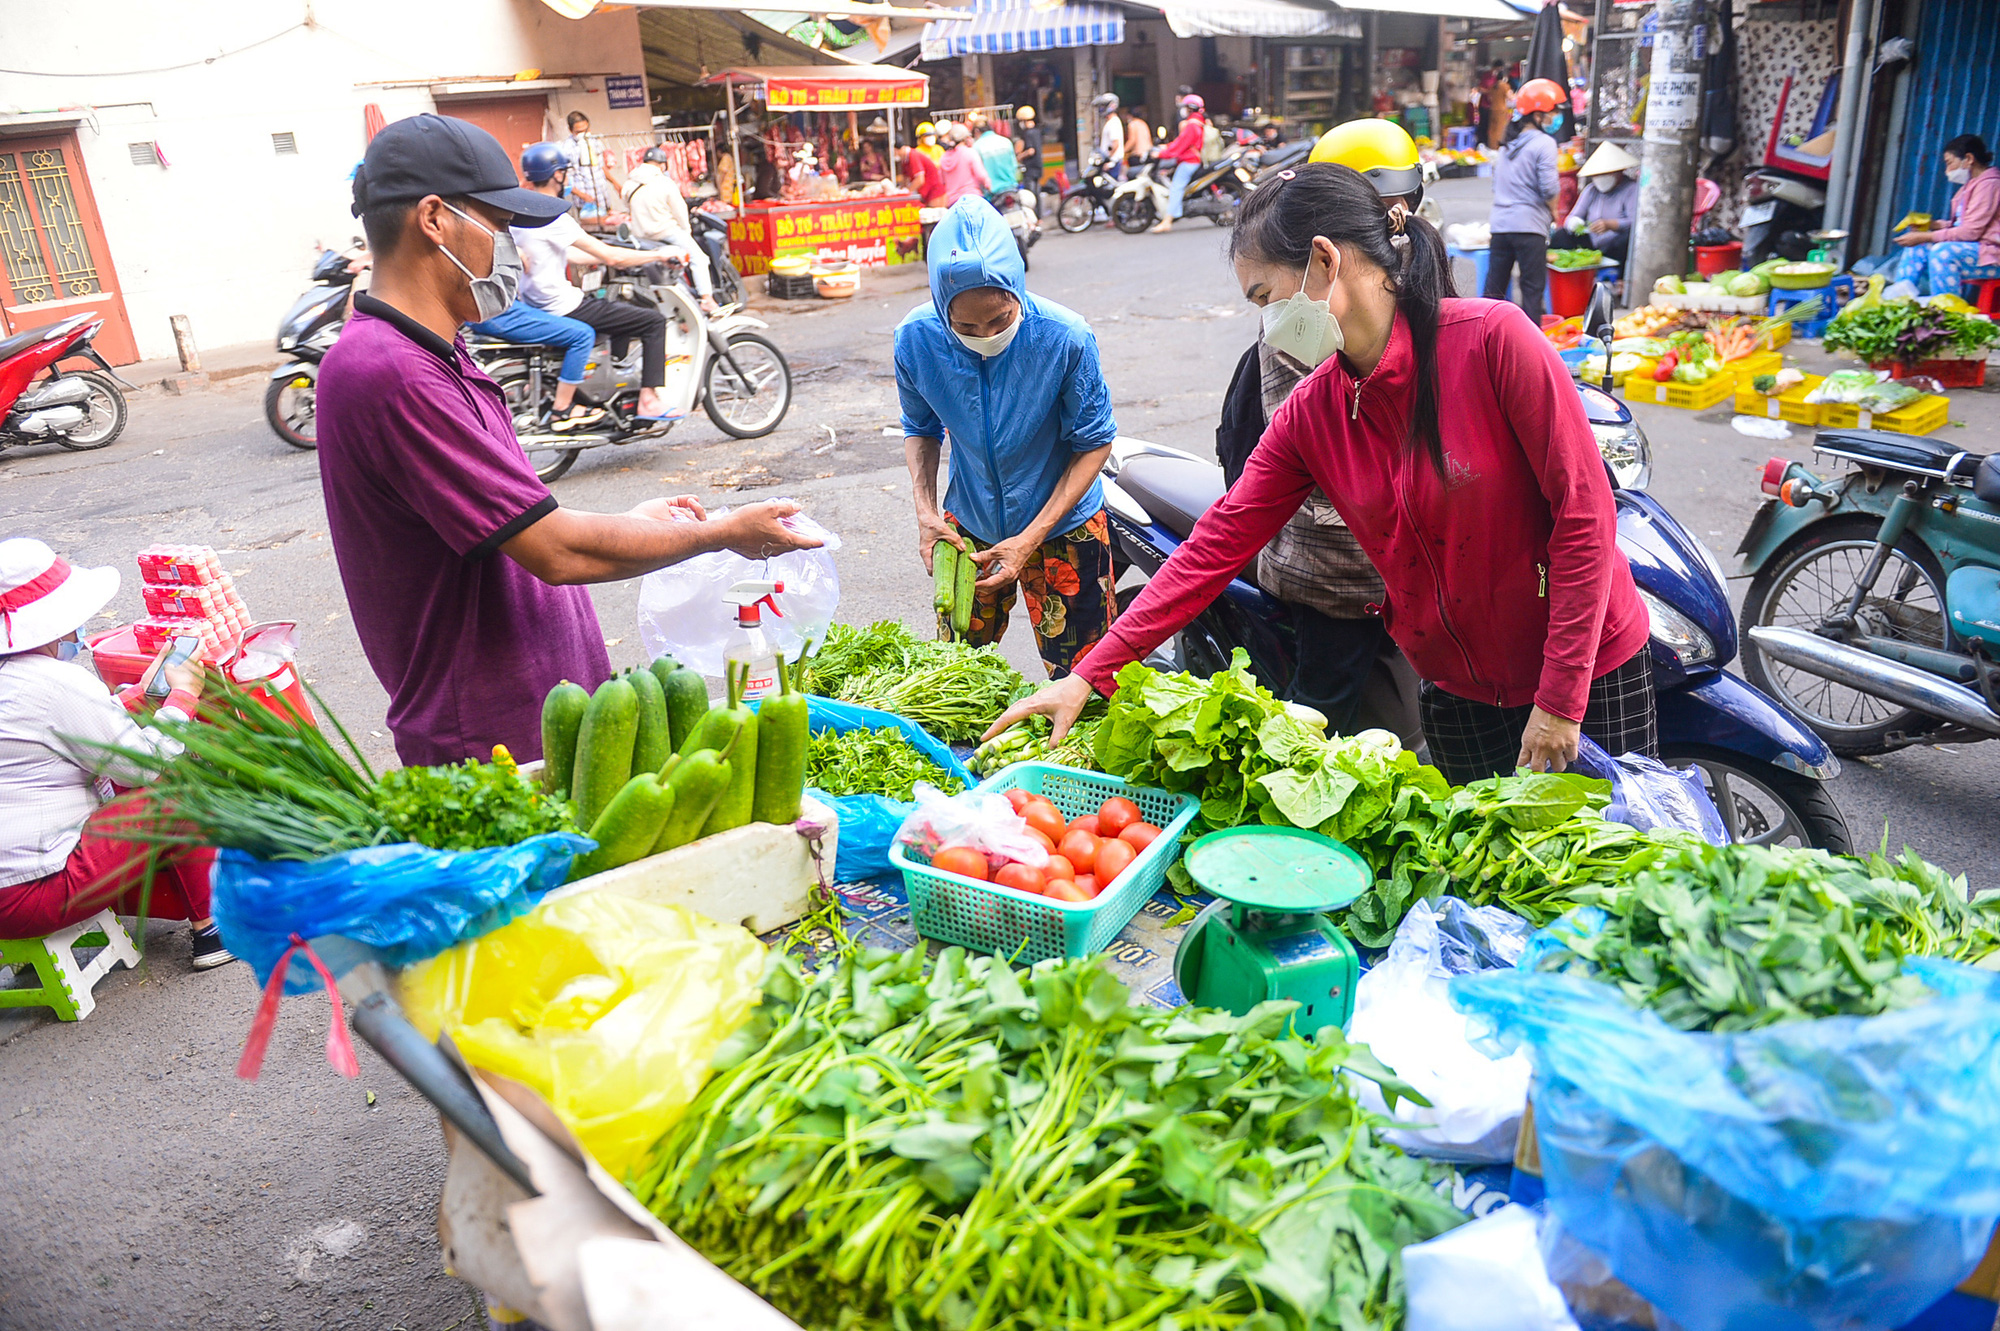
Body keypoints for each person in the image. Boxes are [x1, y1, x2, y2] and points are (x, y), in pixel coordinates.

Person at [986, 163, 1653, 783]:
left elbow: (1584, 515)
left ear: (1325, 260)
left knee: (1614, 879)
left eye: (1265, 296)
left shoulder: (1494, 341)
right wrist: (1089, 675)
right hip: (1456, 691)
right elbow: (1213, 549)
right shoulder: (1314, 411)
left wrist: (1561, 698)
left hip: (1588, 671)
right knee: (1490, 891)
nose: (1268, 323)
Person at [316, 114, 818, 767]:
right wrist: (719, 532)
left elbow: (515, 524)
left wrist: (630, 522)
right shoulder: (391, 372)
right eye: (498, 227)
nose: (513, 253)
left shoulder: (436, 350)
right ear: (434, 219)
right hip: (493, 745)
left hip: (536, 720)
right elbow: (554, 550)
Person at [896, 197, 1119, 678]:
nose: (986, 335)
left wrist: (1029, 538)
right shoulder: (916, 339)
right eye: (966, 327)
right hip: (968, 528)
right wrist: (925, 513)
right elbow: (921, 430)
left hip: (1064, 527)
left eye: (1000, 319)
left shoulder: (1065, 337)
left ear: (1017, 289)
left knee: (1084, 685)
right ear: (941, 310)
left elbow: (1094, 441)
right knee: (955, 679)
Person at [0, 539, 233, 969]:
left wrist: (144, 693)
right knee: (177, 788)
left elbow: (60, 732)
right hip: (30, 895)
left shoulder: (18, 680)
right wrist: (181, 696)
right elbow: (147, 764)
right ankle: (215, 931)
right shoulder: (52, 683)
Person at [514, 141, 679, 421]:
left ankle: (613, 381)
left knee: (617, 304)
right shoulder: (551, 216)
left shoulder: (520, 213)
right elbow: (612, 257)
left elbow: (563, 252)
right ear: (557, 174)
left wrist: (600, 257)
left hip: (536, 302)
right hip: (563, 305)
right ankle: (649, 400)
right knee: (653, 322)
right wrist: (658, 253)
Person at [1484, 78, 1564, 323]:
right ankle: (1530, 350)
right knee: (1531, 291)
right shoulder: (1544, 143)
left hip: (1500, 226)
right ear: (1539, 115)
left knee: (1493, 292)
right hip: (1529, 228)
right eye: (1554, 112)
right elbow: (1549, 187)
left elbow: (1497, 183)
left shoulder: (1508, 145)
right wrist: (1554, 212)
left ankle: (1483, 340)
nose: (1556, 117)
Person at [465, 298, 605, 431]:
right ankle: (563, 408)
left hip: (489, 311)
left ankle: (542, 388)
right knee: (583, 335)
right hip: (499, 311)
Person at [1893, 134, 2000, 299]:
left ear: (1969, 159)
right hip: (1976, 251)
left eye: (1949, 163)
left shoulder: (1990, 184)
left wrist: (1926, 236)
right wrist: (1933, 225)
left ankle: (1946, 315)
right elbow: (1960, 226)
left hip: (1993, 256)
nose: (1947, 170)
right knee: (1917, 247)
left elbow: (1969, 233)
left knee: (1942, 252)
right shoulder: (1972, 185)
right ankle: (1898, 300)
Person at [622, 146, 718, 314]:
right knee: (699, 259)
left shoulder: (629, 184)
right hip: (667, 233)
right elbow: (679, 211)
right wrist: (686, 230)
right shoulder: (664, 182)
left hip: (642, 238)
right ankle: (707, 300)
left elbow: (627, 206)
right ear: (662, 165)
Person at [1552, 141, 1640, 267]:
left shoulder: (1631, 189)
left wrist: (1611, 225)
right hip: (1591, 241)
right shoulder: (1591, 190)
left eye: (1605, 174)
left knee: (1627, 239)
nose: (1600, 177)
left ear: (1619, 171)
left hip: (1615, 244)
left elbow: (1634, 222)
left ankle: (1619, 277)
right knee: (1561, 235)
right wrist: (1575, 223)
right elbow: (1572, 217)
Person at [1149, 94, 1209, 234]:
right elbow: (1180, 142)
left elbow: (1180, 145)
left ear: (1190, 108)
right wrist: (1167, 146)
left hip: (1189, 161)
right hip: (1192, 159)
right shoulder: (1198, 123)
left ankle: (1167, 221)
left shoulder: (1191, 125)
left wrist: (1162, 154)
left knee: (1176, 188)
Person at [560, 111, 613, 222]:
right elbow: (565, 180)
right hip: (586, 203)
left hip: (603, 196)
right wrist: (583, 196)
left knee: (610, 226)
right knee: (593, 232)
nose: (584, 133)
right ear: (571, 130)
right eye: (579, 131)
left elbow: (601, 166)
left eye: (586, 130)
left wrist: (616, 184)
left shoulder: (594, 141)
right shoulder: (566, 149)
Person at [937, 123, 991, 205]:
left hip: (953, 202)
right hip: (972, 198)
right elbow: (981, 175)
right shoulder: (969, 152)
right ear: (966, 138)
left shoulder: (943, 157)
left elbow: (941, 181)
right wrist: (988, 184)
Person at [972, 115, 1020, 198]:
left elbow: (978, 174)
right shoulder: (1006, 142)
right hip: (1011, 188)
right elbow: (1014, 165)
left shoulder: (976, 147)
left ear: (976, 131)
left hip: (991, 193)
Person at [1094, 94, 1125, 180]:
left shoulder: (1113, 123)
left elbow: (1115, 143)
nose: (1101, 109)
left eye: (1103, 106)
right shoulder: (1110, 122)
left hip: (1113, 163)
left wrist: (1108, 160)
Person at [1014, 106, 1044, 188]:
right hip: (1038, 167)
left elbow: (1031, 151)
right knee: (1037, 193)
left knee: (1031, 194)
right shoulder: (1037, 131)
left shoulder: (1028, 133)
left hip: (1030, 169)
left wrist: (1019, 157)